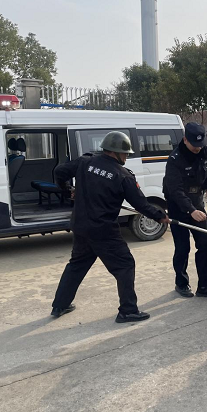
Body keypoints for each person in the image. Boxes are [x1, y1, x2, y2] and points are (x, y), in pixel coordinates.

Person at [50, 131, 169, 323]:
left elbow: (59, 172)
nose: (126, 157)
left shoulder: (85, 162)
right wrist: (160, 216)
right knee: (125, 265)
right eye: (125, 153)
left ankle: (60, 305)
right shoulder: (123, 176)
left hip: (81, 225)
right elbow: (141, 204)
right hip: (103, 230)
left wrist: (68, 190)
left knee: (77, 265)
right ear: (115, 152)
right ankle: (128, 311)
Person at [163, 122, 207, 300]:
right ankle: (181, 283)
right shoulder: (174, 159)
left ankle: (205, 285)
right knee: (183, 248)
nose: (198, 148)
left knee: (206, 244)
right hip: (178, 206)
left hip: (197, 203)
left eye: (200, 144)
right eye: (194, 145)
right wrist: (190, 210)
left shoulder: (206, 150)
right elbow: (175, 190)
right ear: (185, 140)